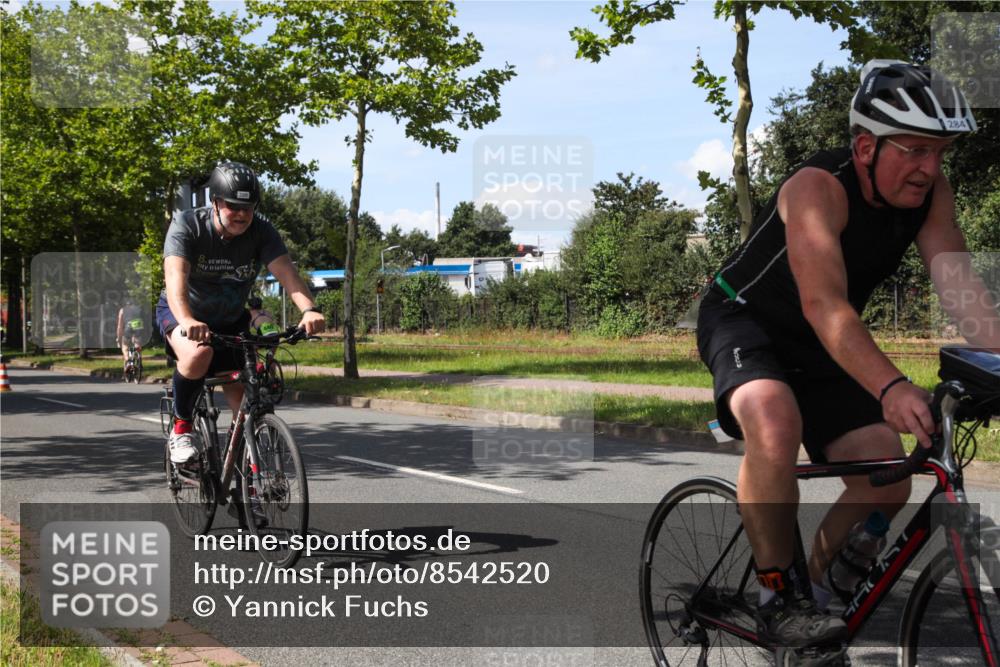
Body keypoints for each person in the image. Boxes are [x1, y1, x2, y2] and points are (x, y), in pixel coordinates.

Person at [696, 60, 999, 652]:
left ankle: (812, 598)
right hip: (745, 320)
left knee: (886, 476)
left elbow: (961, 289)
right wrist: (891, 386)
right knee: (774, 420)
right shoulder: (816, 188)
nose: (930, 168)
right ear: (865, 147)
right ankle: (775, 598)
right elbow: (825, 305)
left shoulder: (929, 195)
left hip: (819, 343)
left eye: (939, 152)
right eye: (915, 149)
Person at [156, 160, 325, 465]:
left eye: (248, 208)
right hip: (182, 311)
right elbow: (175, 278)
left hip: (230, 318)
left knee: (247, 393)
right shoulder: (187, 225)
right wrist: (188, 319)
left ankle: (246, 470)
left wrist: (309, 310)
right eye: (233, 206)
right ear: (215, 202)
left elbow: (286, 272)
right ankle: (182, 427)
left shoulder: (261, 231)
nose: (242, 214)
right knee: (198, 354)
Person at [116, 298, 145, 371]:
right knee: (137, 344)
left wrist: (119, 337)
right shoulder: (139, 309)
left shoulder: (122, 310)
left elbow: (120, 326)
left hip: (128, 327)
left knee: (125, 346)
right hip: (138, 326)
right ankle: (138, 359)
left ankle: (128, 360)